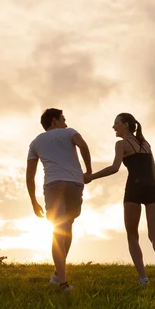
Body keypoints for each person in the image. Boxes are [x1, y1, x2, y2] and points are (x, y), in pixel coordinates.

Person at [86, 113, 155, 289]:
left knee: (132, 235)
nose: (113, 127)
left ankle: (143, 279)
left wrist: (91, 177)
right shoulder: (146, 144)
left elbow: (114, 168)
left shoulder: (121, 144)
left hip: (134, 188)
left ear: (125, 125)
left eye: (116, 123)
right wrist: (151, 186)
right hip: (153, 189)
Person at [26, 108, 92, 292]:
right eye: (63, 119)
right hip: (74, 183)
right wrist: (88, 171)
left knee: (61, 230)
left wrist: (34, 201)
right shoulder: (70, 132)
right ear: (54, 121)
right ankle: (61, 282)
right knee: (66, 229)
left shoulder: (35, 142)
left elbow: (30, 176)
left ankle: (58, 276)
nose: (66, 122)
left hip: (53, 185)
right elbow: (84, 146)